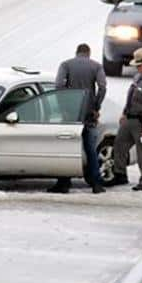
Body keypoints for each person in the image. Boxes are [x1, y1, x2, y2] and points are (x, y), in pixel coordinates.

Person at [47, 43, 107, 194]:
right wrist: (96, 107)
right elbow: (102, 87)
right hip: (88, 115)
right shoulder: (96, 66)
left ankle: (64, 182)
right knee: (91, 150)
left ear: (76, 52)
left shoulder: (66, 65)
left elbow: (59, 85)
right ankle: (96, 184)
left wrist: (64, 107)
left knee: (67, 148)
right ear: (88, 53)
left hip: (71, 115)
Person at [108, 47, 142, 191]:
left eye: (139, 66)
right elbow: (131, 96)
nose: (137, 68)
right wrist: (125, 113)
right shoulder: (138, 77)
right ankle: (120, 174)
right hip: (130, 119)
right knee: (119, 146)